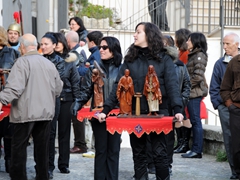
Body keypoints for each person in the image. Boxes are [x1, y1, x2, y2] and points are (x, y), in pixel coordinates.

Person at [96, 22, 183, 180]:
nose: (134, 35)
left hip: (159, 113)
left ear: (149, 35)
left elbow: (172, 86)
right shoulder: (130, 58)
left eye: (138, 32)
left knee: (160, 155)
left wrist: (178, 110)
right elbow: (118, 86)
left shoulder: (164, 59)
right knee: (139, 155)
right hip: (135, 114)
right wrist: (105, 110)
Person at [0, 33, 63, 180]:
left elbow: (14, 88)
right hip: (45, 113)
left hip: (25, 113)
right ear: (36, 45)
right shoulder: (49, 64)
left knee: (19, 150)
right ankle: (43, 177)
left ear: (22, 47)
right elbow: (58, 89)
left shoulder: (22, 62)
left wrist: (1, 100)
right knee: (42, 151)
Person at [71, 36, 122, 180]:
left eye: (105, 47)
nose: (101, 50)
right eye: (100, 47)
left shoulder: (122, 68)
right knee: (100, 150)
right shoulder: (94, 67)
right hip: (98, 113)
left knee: (113, 151)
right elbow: (86, 90)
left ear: (114, 49)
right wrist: (77, 103)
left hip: (116, 114)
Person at [41, 33, 80, 178]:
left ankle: (63, 164)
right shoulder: (45, 60)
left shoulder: (69, 61)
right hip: (50, 99)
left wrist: (77, 101)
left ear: (63, 43)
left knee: (64, 133)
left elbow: (75, 82)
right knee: (50, 133)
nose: (56, 45)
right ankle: (49, 165)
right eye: (54, 42)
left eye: (58, 42)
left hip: (66, 99)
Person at [210, 32, 239, 179]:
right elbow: (214, 88)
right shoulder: (219, 63)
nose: (224, 46)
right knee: (229, 139)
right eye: (223, 43)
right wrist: (222, 106)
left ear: (237, 45)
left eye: (227, 43)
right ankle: (235, 171)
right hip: (226, 108)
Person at [163, 35, 191, 175]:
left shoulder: (180, 65)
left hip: (173, 106)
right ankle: (152, 164)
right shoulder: (155, 62)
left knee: (168, 138)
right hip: (157, 106)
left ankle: (167, 164)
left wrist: (180, 102)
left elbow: (187, 85)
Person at [181, 32, 208, 159]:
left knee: (195, 121)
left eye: (189, 40)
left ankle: (197, 150)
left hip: (194, 93)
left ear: (196, 41)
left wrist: (186, 86)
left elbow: (197, 76)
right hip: (192, 92)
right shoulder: (193, 55)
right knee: (194, 120)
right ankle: (195, 149)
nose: (187, 42)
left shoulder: (199, 56)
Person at [0, 26, 20, 173]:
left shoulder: (13, 53)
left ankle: (9, 163)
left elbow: (18, 76)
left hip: (7, 99)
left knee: (8, 134)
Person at [65, 30, 88, 154]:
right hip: (78, 88)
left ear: (68, 41)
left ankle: (80, 144)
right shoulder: (80, 50)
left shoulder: (77, 52)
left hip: (77, 88)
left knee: (77, 117)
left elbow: (78, 71)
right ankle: (80, 143)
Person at [220, 51, 240, 180]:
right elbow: (225, 88)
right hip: (237, 110)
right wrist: (230, 105)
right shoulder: (234, 62)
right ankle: (238, 172)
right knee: (237, 146)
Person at [174, 28, 192, 153]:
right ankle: (181, 142)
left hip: (183, 92)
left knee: (184, 117)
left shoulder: (185, 54)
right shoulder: (180, 53)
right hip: (180, 91)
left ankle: (184, 143)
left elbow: (185, 75)